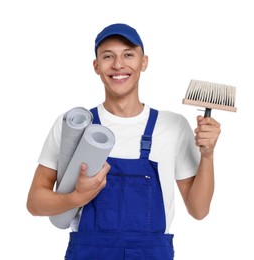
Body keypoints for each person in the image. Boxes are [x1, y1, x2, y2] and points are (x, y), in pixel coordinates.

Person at [27, 23, 221, 259]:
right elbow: (35, 203)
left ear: (144, 62)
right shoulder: (74, 125)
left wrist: (208, 155)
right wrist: (76, 198)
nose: (118, 64)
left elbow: (199, 210)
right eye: (108, 56)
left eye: (128, 54)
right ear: (96, 66)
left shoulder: (173, 126)